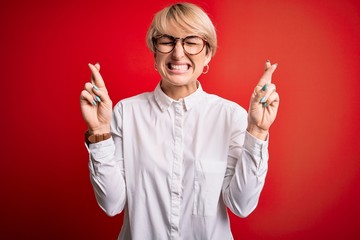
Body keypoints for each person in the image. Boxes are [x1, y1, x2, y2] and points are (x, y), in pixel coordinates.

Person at [80, 2, 279, 240]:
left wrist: (257, 130)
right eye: (167, 41)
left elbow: (241, 205)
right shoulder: (126, 113)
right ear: (155, 52)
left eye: (191, 42)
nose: (178, 52)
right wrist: (99, 131)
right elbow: (112, 204)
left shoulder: (231, 116)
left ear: (208, 55)